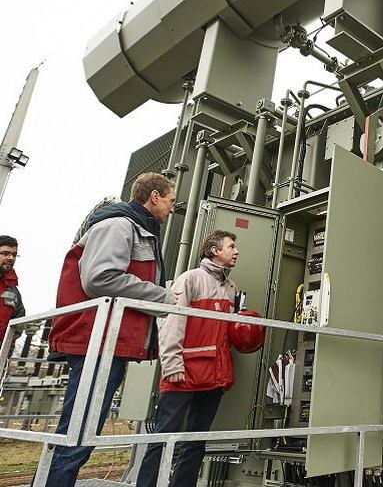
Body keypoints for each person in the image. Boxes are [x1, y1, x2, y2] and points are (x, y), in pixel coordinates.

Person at [45, 173, 176, 486]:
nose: (172, 208)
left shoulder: (136, 229)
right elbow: (100, 278)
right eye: (171, 200)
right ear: (155, 197)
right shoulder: (120, 225)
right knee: (77, 436)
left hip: (105, 341)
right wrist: (165, 298)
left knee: (77, 433)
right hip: (98, 341)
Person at [136, 230, 240, 487]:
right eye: (231, 247)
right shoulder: (190, 279)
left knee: (196, 442)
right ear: (214, 251)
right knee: (162, 439)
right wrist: (172, 365)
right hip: (183, 373)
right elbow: (172, 321)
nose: (236, 252)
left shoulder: (231, 288)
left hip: (214, 376)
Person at [0, 235, 25, 347]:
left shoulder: (13, 292)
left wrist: (6, 350)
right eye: (5, 253)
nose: (11, 258)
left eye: (14, 255)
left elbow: (18, 322)